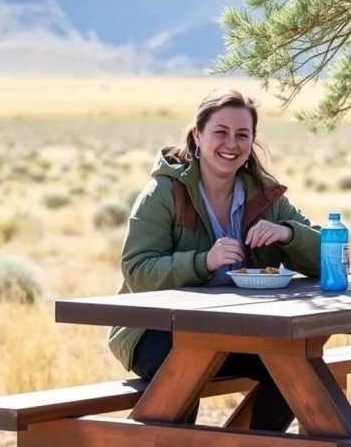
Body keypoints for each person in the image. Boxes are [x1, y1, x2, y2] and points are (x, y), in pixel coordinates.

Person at [106, 88, 321, 432]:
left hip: (235, 331)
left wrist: (288, 234)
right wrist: (203, 261)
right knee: (183, 368)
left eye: (242, 135)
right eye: (221, 132)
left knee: (297, 368)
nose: (231, 144)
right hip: (155, 330)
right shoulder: (164, 193)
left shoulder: (264, 194)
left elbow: (332, 258)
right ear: (198, 135)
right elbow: (137, 271)